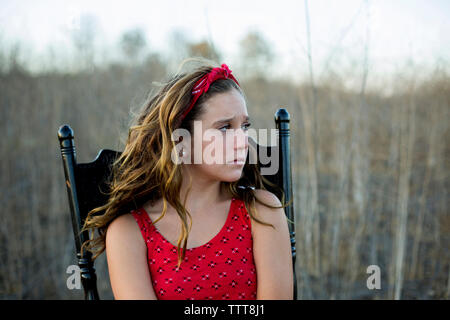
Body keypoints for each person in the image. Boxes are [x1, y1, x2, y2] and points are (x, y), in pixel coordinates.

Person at [81, 58, 293, 300]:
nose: (243, 140)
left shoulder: (261, 212)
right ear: (181, 139)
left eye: (245, 126)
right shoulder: (129, 233)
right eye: (225, 128)